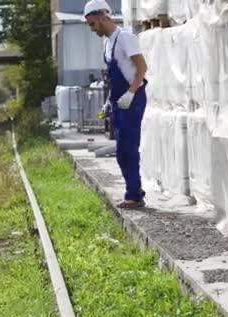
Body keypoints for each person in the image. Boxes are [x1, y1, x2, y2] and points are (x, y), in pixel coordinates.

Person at [83, 0, 148, 209]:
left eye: (93, 24)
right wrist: (109, 102)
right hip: (119, 101)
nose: (92, 29)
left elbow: (142, 67)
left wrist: (131, 93)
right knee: (121, 151)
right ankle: (135, 190)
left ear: (103, 17)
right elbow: (113, 77)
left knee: (128, 148)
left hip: (133, 98)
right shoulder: (107, 43)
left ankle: (134, 196)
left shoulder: (125, 38)